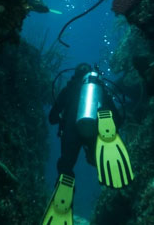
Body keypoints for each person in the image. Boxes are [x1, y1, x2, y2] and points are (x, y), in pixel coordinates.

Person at [40, 64, 134, 225]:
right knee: (97, 149)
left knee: (66, 167)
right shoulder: (100, 89)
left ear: (75, 75)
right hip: (94, 128)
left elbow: (52, 118)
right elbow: (118, 120)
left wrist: (64, 114)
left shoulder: (68, 89)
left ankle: (64, 191)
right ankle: (103, 138)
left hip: (71, 130)